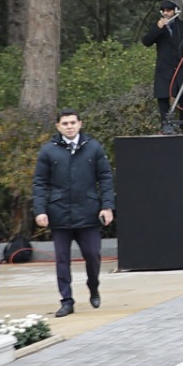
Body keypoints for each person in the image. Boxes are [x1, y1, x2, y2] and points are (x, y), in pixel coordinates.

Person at [31, 109, 114, 318]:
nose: (69, 126)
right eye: (65, 123)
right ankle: (66, 301)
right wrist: (40, 210)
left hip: (88, 212)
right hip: (60, 214)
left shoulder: (93, 148)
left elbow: (105, 177)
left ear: (80, 124)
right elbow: (40, 183)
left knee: (93, 255)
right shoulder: (48, 151)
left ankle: (93, 286)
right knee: (62, 260)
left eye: (72, 122)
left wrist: (107, 206)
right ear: (58, 126)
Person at [142, 2, 183, 129]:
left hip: (181, 67)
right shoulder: (158, 27)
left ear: (175, 11)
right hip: (164, 68)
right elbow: (146, 41)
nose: (165, 13)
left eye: (168, 10)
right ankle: (166, 124)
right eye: (163, 10)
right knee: (163, 97)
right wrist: (158, 28)